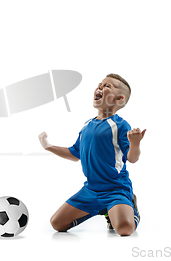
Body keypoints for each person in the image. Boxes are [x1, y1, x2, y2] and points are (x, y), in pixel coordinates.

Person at [38, 73, 146, 236]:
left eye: (107, 86)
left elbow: (132, 158)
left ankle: (131, 207)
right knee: (57, 224)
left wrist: (135, 143)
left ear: (119, 99)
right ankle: (104, 210)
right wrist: (49, 146)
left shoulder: (120, 125)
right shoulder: (86, 125)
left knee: (124, 230)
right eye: (100, 84)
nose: (100, 87)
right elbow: (74, 153)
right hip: (91, 190)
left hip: (116, 189)